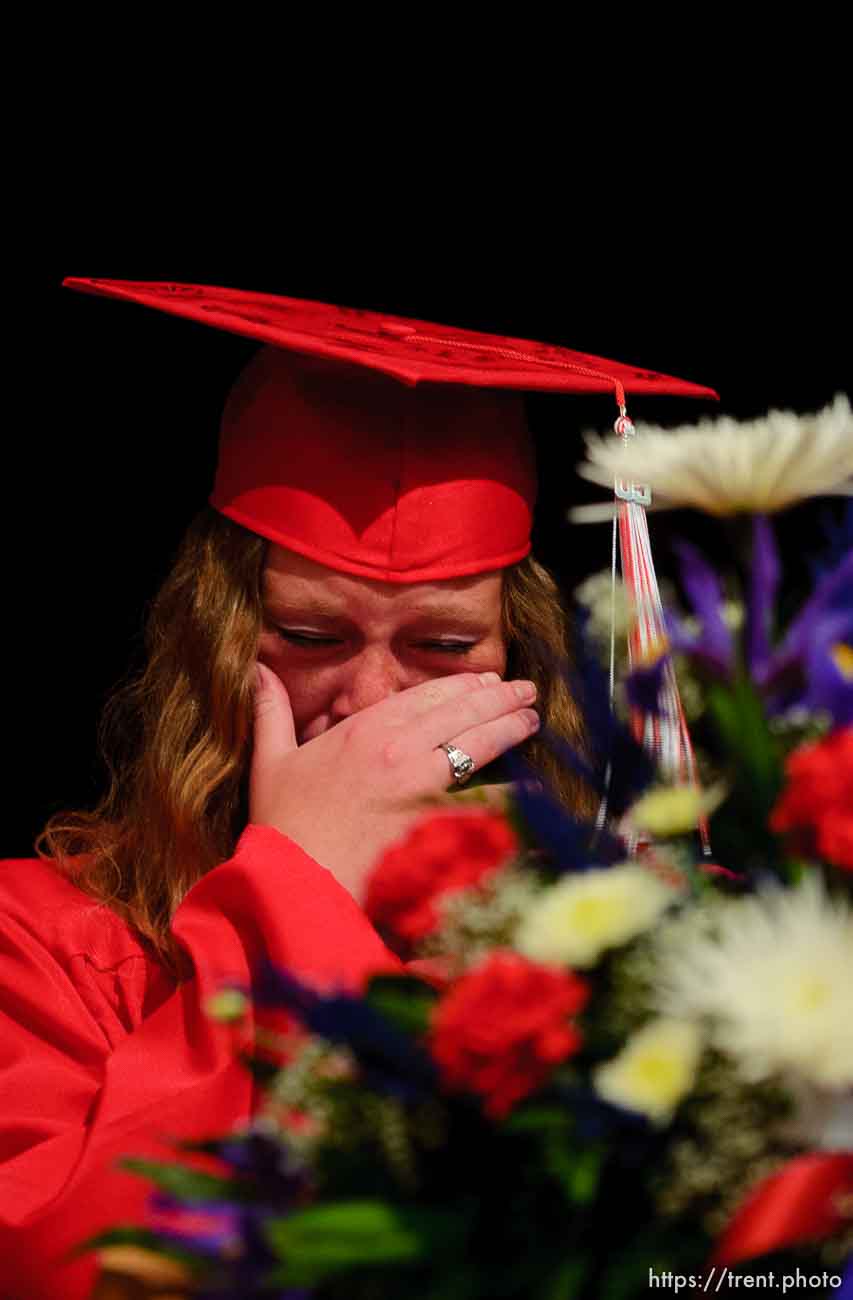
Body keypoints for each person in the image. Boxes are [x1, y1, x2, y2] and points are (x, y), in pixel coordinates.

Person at [0, 280, 715, 1299]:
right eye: (309, 636)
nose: (370, 706)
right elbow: (68, 1272)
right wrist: (297, 882)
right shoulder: (38, 946)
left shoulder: (628, 928)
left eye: (441, 645)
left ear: (525, 664)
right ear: (213, 641)